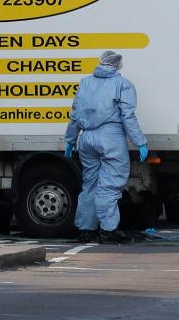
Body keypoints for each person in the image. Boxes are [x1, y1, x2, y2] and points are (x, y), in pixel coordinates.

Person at [64, 50, 148, 245]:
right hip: (110, 138)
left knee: (90, 185)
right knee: (109, 185)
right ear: (118, 65)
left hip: (86, 138)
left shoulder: (85, 83)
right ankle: (109, 230)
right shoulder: (122, 84)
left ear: (101, 62)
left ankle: (86, 229)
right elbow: (127, 115)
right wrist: (140, 141)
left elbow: (75, 114)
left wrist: (70, 140)